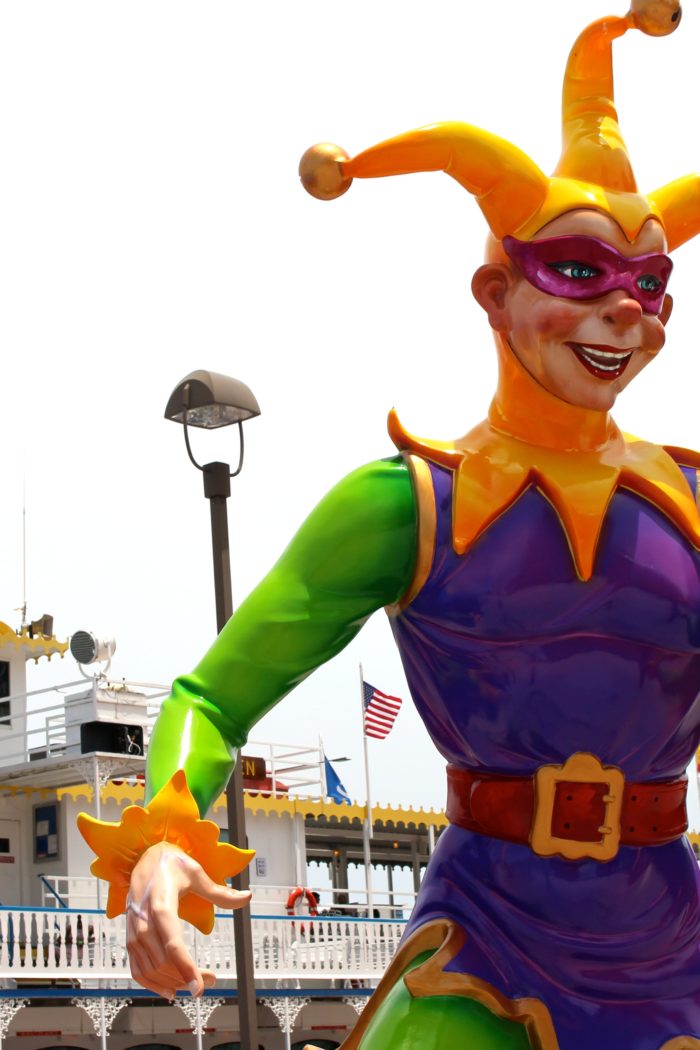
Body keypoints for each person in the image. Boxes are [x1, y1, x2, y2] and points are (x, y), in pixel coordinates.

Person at [79, 2, 700, 1046]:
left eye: (650, 283)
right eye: (579, 272)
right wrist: (167, 833)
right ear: (495, 290)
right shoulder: (405, 504)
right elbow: (211, 698)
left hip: (673, 945)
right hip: (483, 945)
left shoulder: (687, 506)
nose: (626, 310)